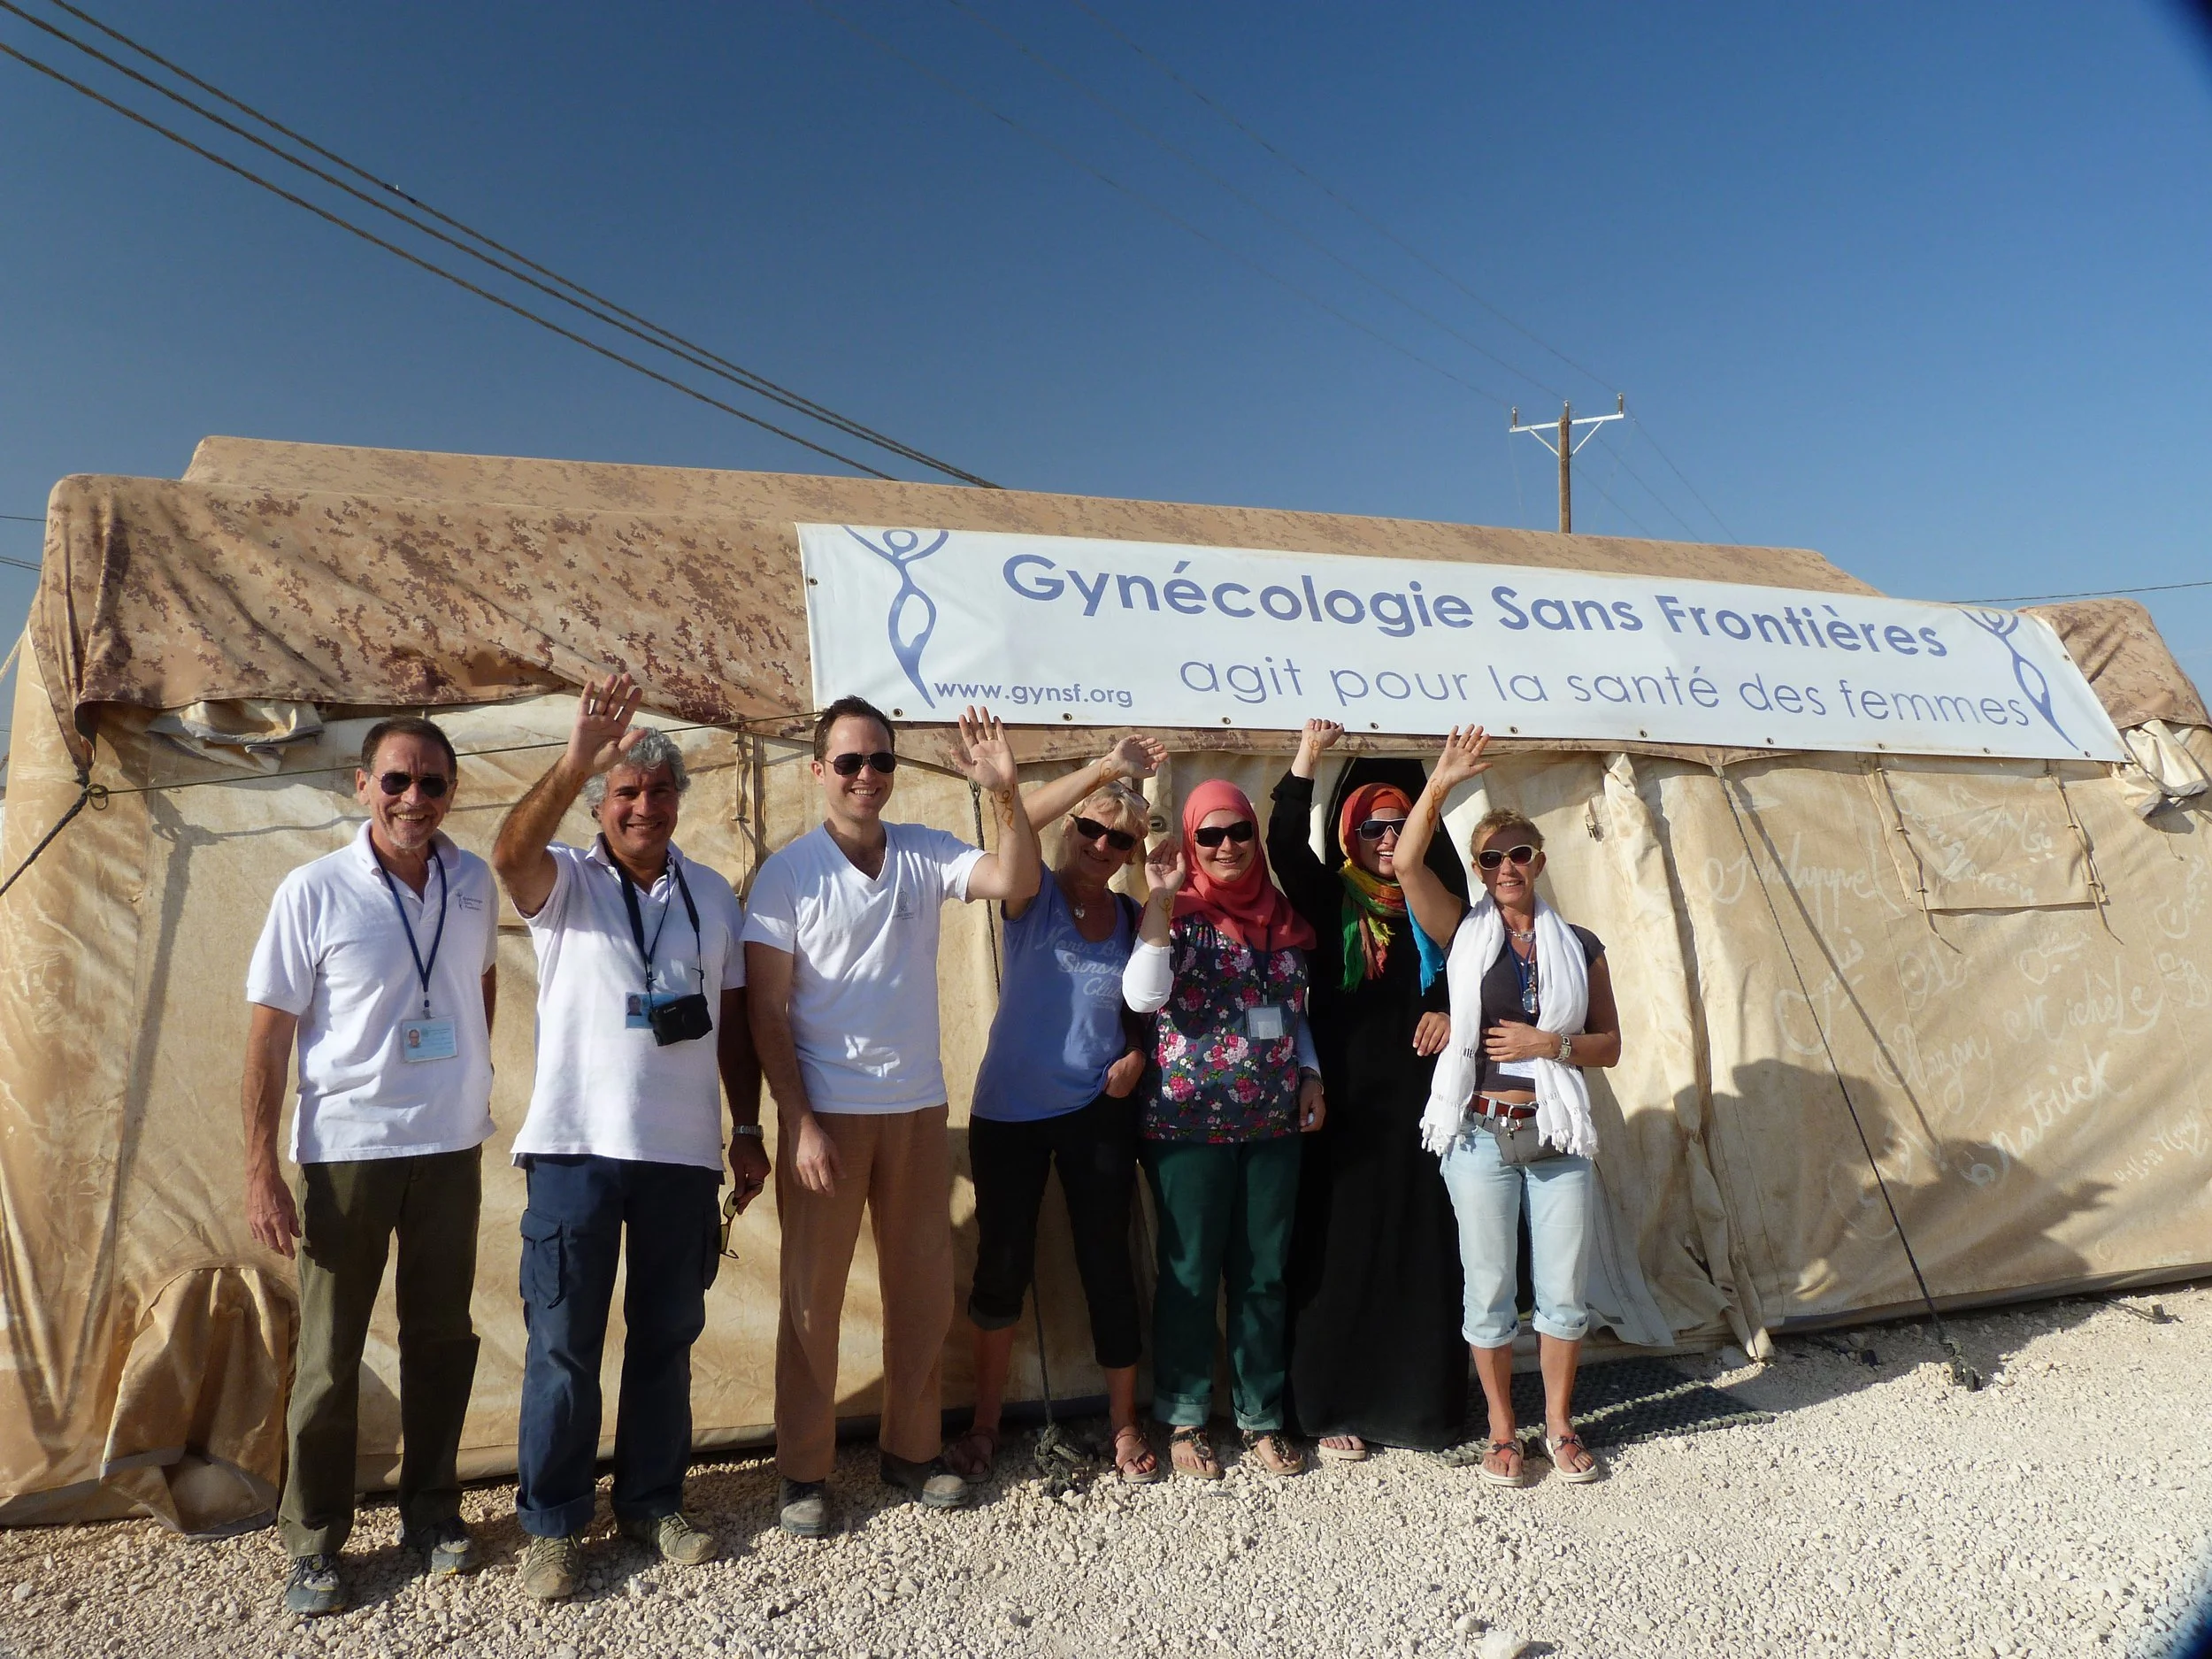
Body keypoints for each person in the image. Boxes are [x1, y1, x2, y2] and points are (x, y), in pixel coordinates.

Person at [490, 672, 767, 1601]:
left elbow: (734, 1027)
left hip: (680, 1156)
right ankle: (553, 1525)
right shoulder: (565, 880)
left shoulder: (712, 896)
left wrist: (746, 1127)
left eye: (657, 791)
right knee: (563, 1342)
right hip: (576, 1148)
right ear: (599, 804)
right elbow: (507, 852)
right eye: (625, 793)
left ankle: (651, 1501)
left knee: (667, 1335)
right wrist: (575, 760)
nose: (643, 806)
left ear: (678, 801)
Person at [744, 696, 1041, 1539]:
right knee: (813, 1300)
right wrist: (797, 1119)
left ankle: (911, 1450)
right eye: (849, 761)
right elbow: (766, 1010)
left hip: (915, 1105)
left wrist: (1006, 790)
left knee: (921, 1294)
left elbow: (1016, 880)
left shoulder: (921, 850)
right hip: (828, 1114)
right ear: (818, 771)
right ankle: (803, 1470)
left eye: (881, 760)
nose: (867, 775)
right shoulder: (788, 874)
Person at [242, 717, 498, 1617]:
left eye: (432, 783)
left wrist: (472, 1078)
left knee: (442, 1340)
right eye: (396, 780)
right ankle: (314, 1540)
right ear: (362, 786)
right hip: (347, 1153)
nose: (413, 799)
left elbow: (479, 983)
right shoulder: (312, 890)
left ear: (452, 792)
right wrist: (259, 1167)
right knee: (329, 1354)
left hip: (451, 1149)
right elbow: (269, 1037)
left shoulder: (474, 882)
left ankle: (432, 1511)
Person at [1392, 726, 1624, 1489]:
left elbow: (1609, 1045)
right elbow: (1405, 862)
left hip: (1555, 1131)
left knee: (1563, 1293)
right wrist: (1440, 782)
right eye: (1490, 859)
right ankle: (1500, 1425)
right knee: (1488, 1287)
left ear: (1540, 861)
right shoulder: (1465, 930)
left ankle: (1558, 1423)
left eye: (1518, 854)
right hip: (1480, 1134)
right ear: (1479, 870)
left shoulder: (1579, 944)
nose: (1506, 868)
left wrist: (1548, 1043)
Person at [945, 736, 1166, 1487]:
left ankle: (1124, 1422)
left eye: (1119, 839)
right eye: (1091, 829)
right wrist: (1105, 770)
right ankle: (983, 1423)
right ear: (1071, 829)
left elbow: (1144, 1005)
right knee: (1001, 1264)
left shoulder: (1132, 912)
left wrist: (1136, 1051)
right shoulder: (1031, 893)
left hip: (1096, 1109)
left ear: (1132, 851)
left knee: (1106, 1262)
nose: (1102, 846)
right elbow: (1017, 825)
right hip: (1009, 1112)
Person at [1271, 721, 1469, 1459]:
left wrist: (1448, 1009)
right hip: (1344, 1109)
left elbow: (1471, 975)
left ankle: (1419, 1406)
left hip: (1423, 1111)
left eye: (1400, 823)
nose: (1389, 838)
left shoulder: (1436, 899)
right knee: (1338, 1250)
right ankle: (1332, 1405)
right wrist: (1308, 757)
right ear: (1349, 835)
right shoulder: (1330, 898)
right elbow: (1283, 845)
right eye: (1374, 826)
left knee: (1421, 1248)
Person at [1123, 780, 1325, 1481]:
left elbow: (1294, 1012)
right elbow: (1143, 995)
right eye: (1208, 835)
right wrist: (1160, 898)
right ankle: (1184, 1414)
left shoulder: (1284, 917)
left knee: (1264, 1274)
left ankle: (1259, 1415)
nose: (1227, 846)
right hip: (1186, 1125)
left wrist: (1310, 1072)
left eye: (1239, 830)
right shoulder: (1174, 915)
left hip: (1273, 1122)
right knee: (1189, 1273)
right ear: (1190, 842)